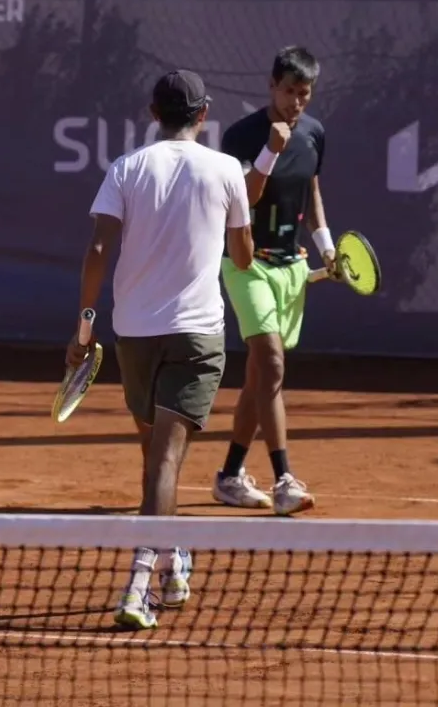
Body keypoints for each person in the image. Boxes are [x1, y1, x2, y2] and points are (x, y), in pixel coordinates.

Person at [66, 69, 253, 631]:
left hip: (136, 335)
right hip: (197, 336)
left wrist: (83, 331)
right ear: (205, 113)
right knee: (164, 461)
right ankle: (142, 580)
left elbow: (98, 248)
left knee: (155, 458)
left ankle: (172, 562)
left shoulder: (126, 168)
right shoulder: (226, 170)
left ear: (154, 112)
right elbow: (243, 259)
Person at [211, 46, 336, 516]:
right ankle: (285, 478)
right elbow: (242, 200)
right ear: (271, 86)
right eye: (288, 92)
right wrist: (271, 148)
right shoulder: (242, 136)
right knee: (272, 363)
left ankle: (229, 476)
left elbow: (313, 193)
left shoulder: (315, 134)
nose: (296, 103)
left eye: (304, 94)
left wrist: (326, 246)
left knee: (258, 380)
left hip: (292, 268)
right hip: (247, 264)